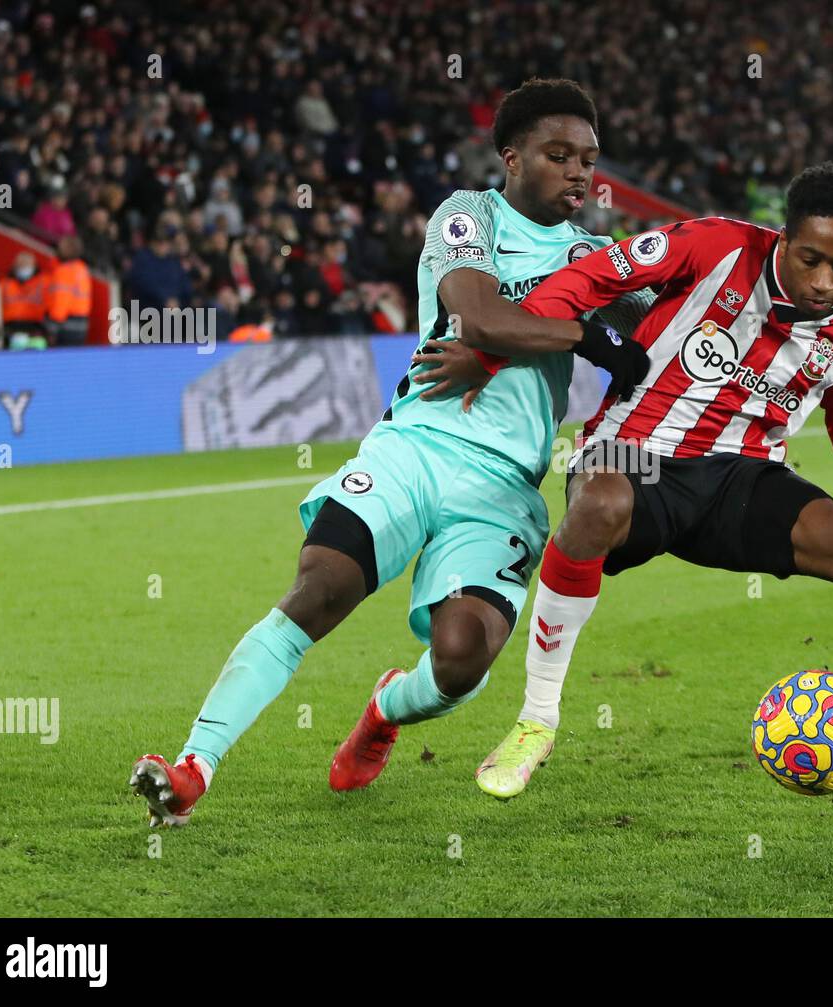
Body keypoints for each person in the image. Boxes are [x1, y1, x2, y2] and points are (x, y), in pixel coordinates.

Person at [130, 79, 651, 827]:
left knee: (462, 653)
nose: (579, 173)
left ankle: (383, 709)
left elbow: (652, 340)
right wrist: (583, 334)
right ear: (512, 157)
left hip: (503, 484)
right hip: (417, 442)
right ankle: (191, 769)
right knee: (322, 582)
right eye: (558, 155)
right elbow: (474, 312)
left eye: (588, 160)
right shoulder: (468, 216)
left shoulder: (596, 256)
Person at [449, 163, 833, 808]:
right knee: (600, 503)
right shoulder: (715, 245)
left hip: (738, 479)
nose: (821, 281)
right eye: (809, 258)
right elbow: (586, 279)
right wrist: (493, 349)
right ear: (783, 237)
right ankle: (536, 722)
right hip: (636, 456)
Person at [46, 235, 92, 347]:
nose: (58, 249)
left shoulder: (63, 271)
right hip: (81, 324)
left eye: (62, 247)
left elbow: (61, 302)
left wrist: (52, 329)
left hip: (65, 326)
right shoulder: (82, 269)